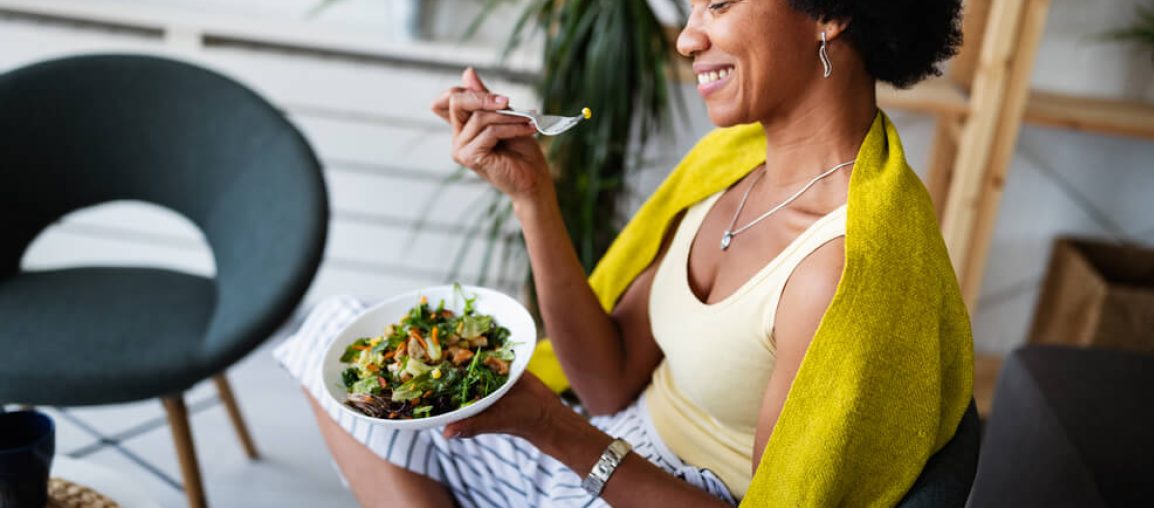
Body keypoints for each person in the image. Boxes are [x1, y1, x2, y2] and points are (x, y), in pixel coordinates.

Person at [275, 0, 971, 506]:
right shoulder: (730, 162)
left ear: (831, 12)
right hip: (611, 435)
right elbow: (607, 380)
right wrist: (532, 197)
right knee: (334, 328)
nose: (688, 38)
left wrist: (553, 429)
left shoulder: (842, 270)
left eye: (719, 4)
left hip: (665, 491)